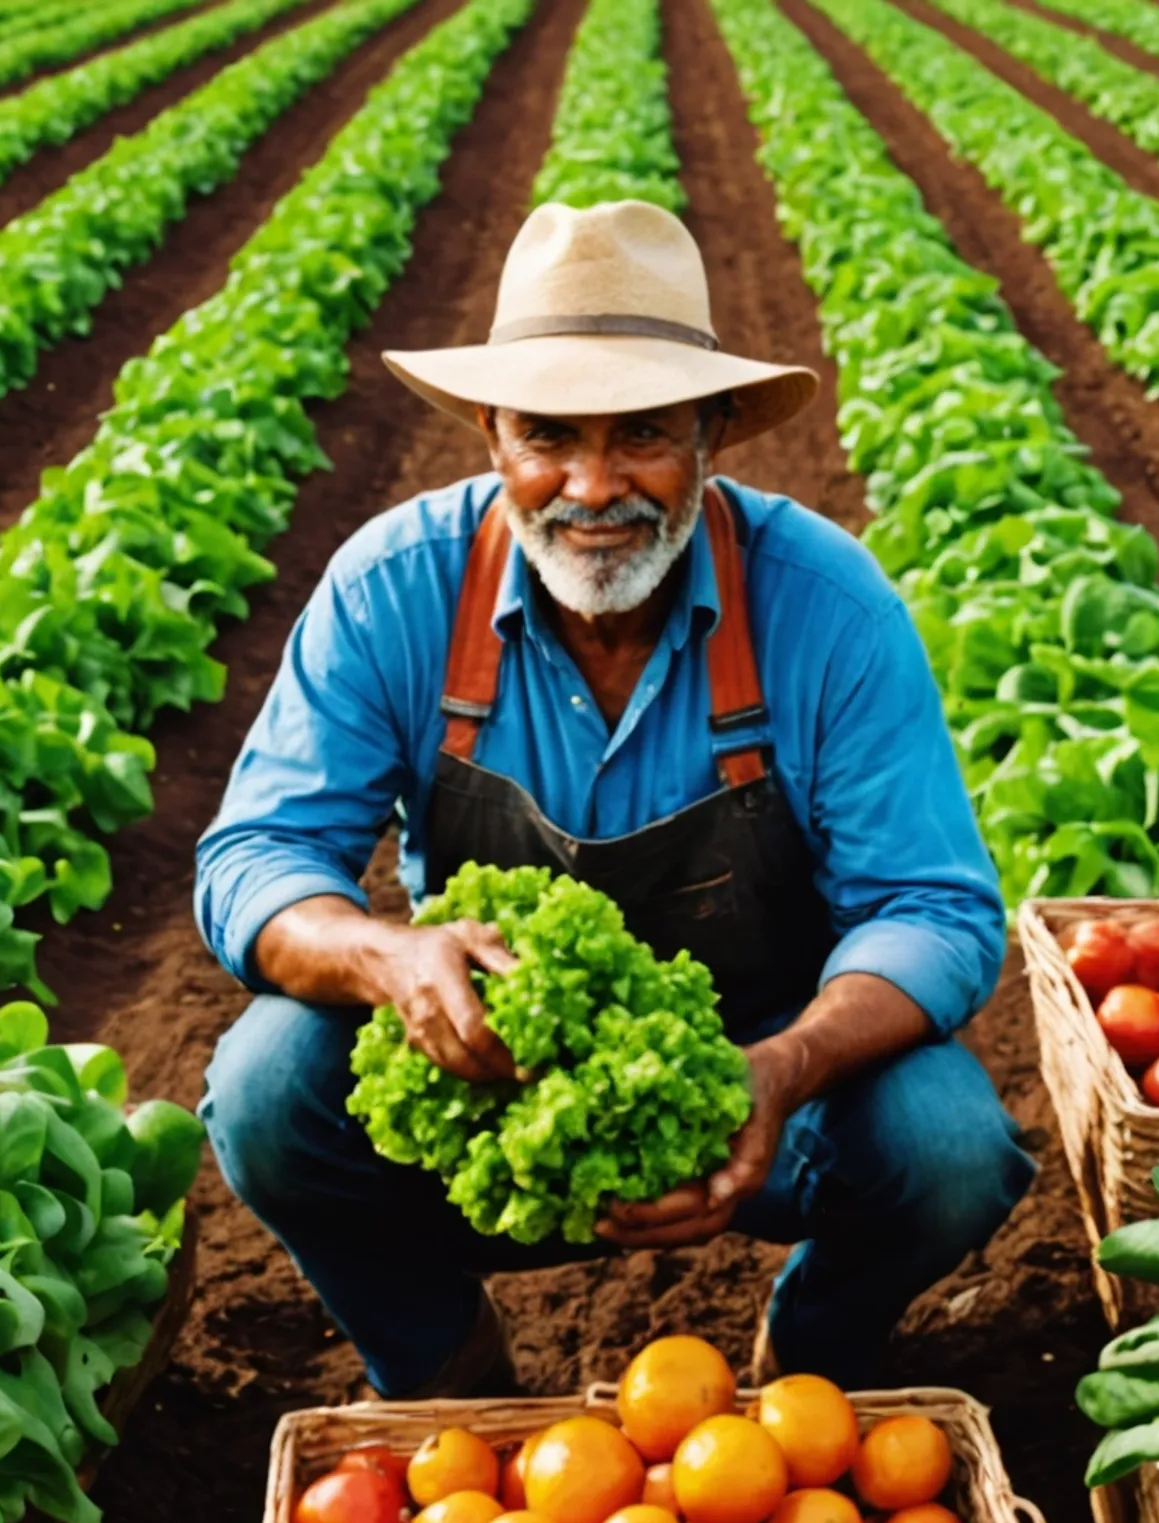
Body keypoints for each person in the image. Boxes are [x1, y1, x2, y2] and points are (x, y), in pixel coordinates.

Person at [192, 200, 1027, 1397]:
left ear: (711, 431)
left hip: (766, 1077)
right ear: (491, 435)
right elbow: (258, 854)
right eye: (547, 435)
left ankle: (811, 1367)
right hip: (483, 1072)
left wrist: (781, 1067)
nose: (591, 485)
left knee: (949, 1148)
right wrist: (388, 958)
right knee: (268, 1088)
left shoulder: (827, 607)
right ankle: (448, 1374)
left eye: (641, 432)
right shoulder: (394, 588)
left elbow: (935, 909)